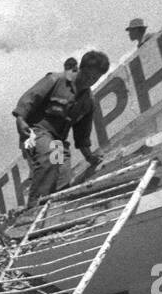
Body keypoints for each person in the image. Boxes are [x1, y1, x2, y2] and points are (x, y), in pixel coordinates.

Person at [13, 50, 110, 208]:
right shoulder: (56, 79)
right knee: (48, 159)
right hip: (36, 131)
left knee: (61, 175)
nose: (89, 81)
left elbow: (82, 133)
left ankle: (50, 215)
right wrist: (20, 119)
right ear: (80, 68)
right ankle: (33, 210)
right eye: (87, 75)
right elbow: (30, 97)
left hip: (57, 141)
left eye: (95, 78)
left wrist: (89, 156)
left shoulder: (88, 101)